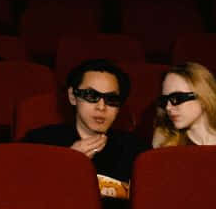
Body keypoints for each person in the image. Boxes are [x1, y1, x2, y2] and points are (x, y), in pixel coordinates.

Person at [20, 59, 147, 198]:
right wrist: (66, 163)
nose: (101, 107)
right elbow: (22, 192)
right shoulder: (39, 142)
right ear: (72, 96)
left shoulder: (136, 150)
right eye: (91, 96)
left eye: (111, 99)